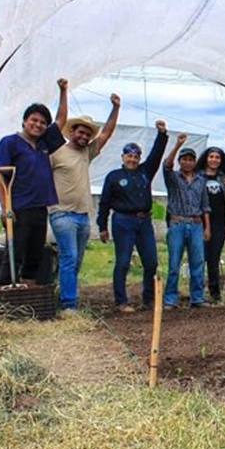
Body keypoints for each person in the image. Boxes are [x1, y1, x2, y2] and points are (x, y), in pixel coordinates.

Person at [0, 78, 68, 286]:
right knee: (15, 253)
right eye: (34, 120)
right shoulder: (10, 143)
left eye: (42, 122)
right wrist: (6, 208)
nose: (38, 125)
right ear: (24, 121)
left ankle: (27, 293)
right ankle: (3, 295)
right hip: (19, 208)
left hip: (40, 208)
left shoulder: (43, 144)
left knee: (35, 254)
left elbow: (60, 121)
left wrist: (63, 91)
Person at [49, 92, 121, 311]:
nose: (84, 136)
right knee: (69, 257)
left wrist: (116, 108)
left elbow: (106, 134)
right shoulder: (56, 152)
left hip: (82, 216)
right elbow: (41, 178)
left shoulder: (86, 153)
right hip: (62, 214)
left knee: (76, 260)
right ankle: (69, 305)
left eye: (88, 134)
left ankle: (60, 294)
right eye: (81, 132)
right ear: (72, 132)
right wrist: (63, 91)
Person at [97, 120, 169, 312]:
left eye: (136, 156)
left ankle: (149, 299)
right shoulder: (113, 176)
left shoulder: (145, 172)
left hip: (144, 221)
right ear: (123, 157)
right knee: (123, 261)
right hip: (122, 221)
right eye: (129, 156)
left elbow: (156, 154)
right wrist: (102, 226)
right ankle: (121, 301)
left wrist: (162, 134)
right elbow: (104, 202)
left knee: (151, 261)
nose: (133, 160)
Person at [162, 134, 211, 309]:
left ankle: (197, 298)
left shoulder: (200, 180)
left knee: (197, 263)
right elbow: (166, 166)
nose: (188, 163)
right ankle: (170, 299)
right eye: (185, 159)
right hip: (177, 224)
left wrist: (207, 228)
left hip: (197, 224)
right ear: (180, 161)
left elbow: (205, 205)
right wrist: (177, 145)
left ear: (194, 162)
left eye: (191, 160)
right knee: (174, 263)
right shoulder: (174, 178)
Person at [196, 146, 225, 303]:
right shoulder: (197, 177)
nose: (214, 160)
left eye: (217, 157)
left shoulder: (223, 177)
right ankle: (197, 290)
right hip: (200, 222)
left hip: (219, 223)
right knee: (199, 257)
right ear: (206, 158)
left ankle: (214, 291)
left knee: (214, 258)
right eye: (211, 156)